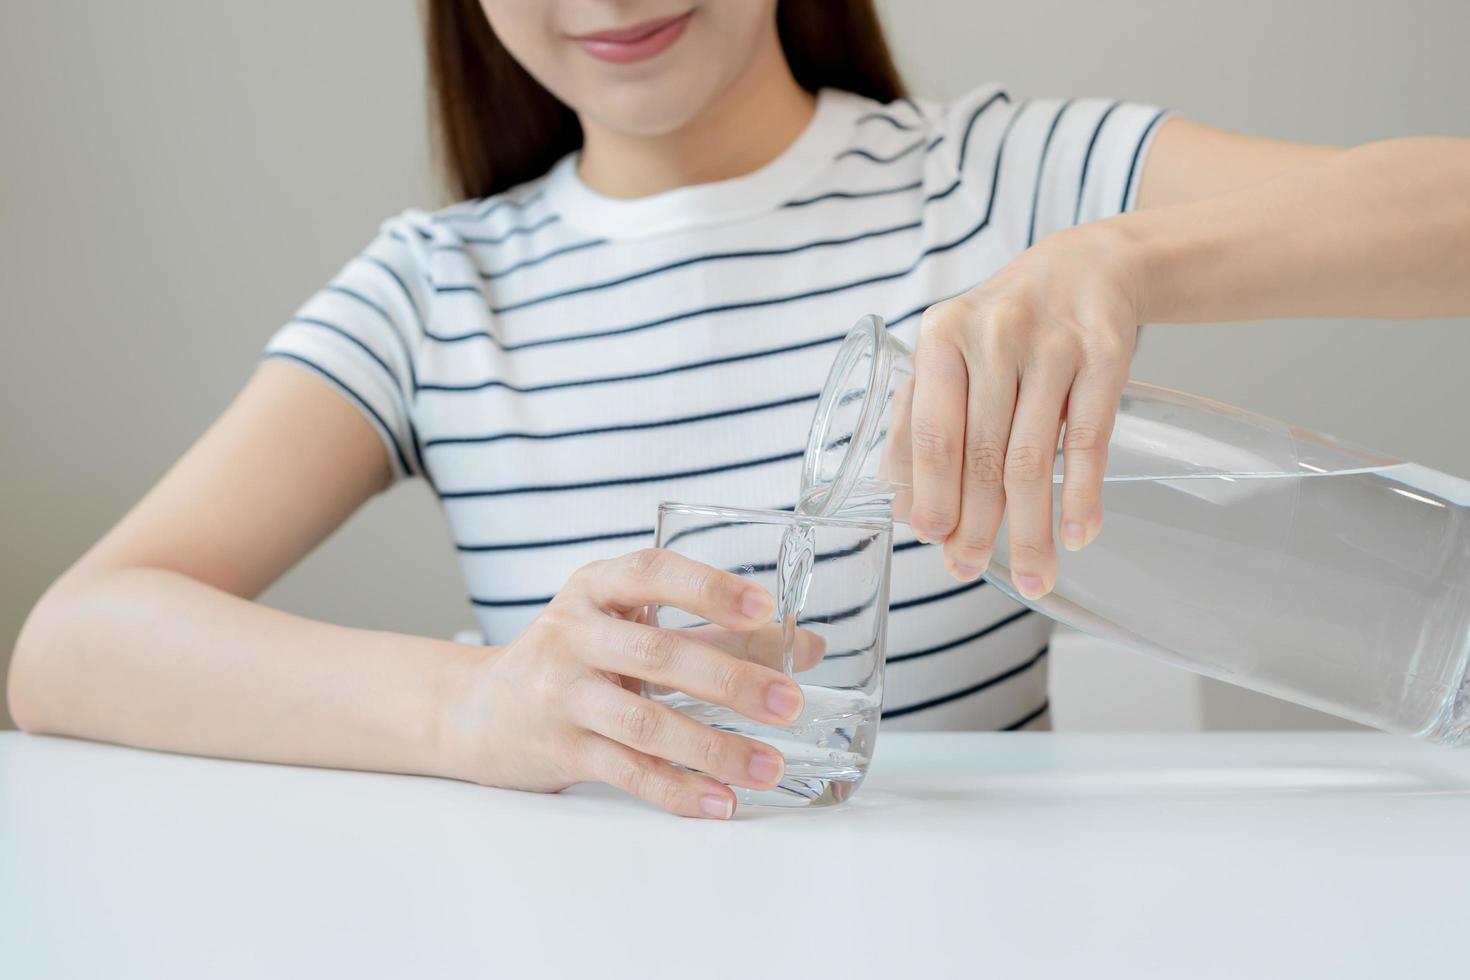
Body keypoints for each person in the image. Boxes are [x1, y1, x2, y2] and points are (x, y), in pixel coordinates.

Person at [9, 0, 1468, 819]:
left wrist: (1123, 255)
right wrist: (482, 705)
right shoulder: (436, 292)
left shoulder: (996, 181)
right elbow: (70, 644)